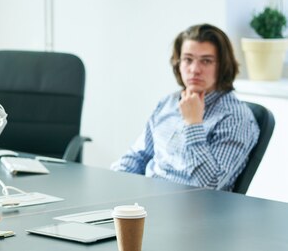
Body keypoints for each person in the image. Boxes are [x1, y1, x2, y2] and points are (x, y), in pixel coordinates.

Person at [111, 23, 260, 191]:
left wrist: (193, 124)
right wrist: (112, 183)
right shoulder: (168, 102)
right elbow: (140, 155)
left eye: (206, 61)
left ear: (222, 65)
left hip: (193, 210)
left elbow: (210, 185)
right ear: (178, 63)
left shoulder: (236, 117)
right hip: (148, 198)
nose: (195, 69)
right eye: (188, 59)